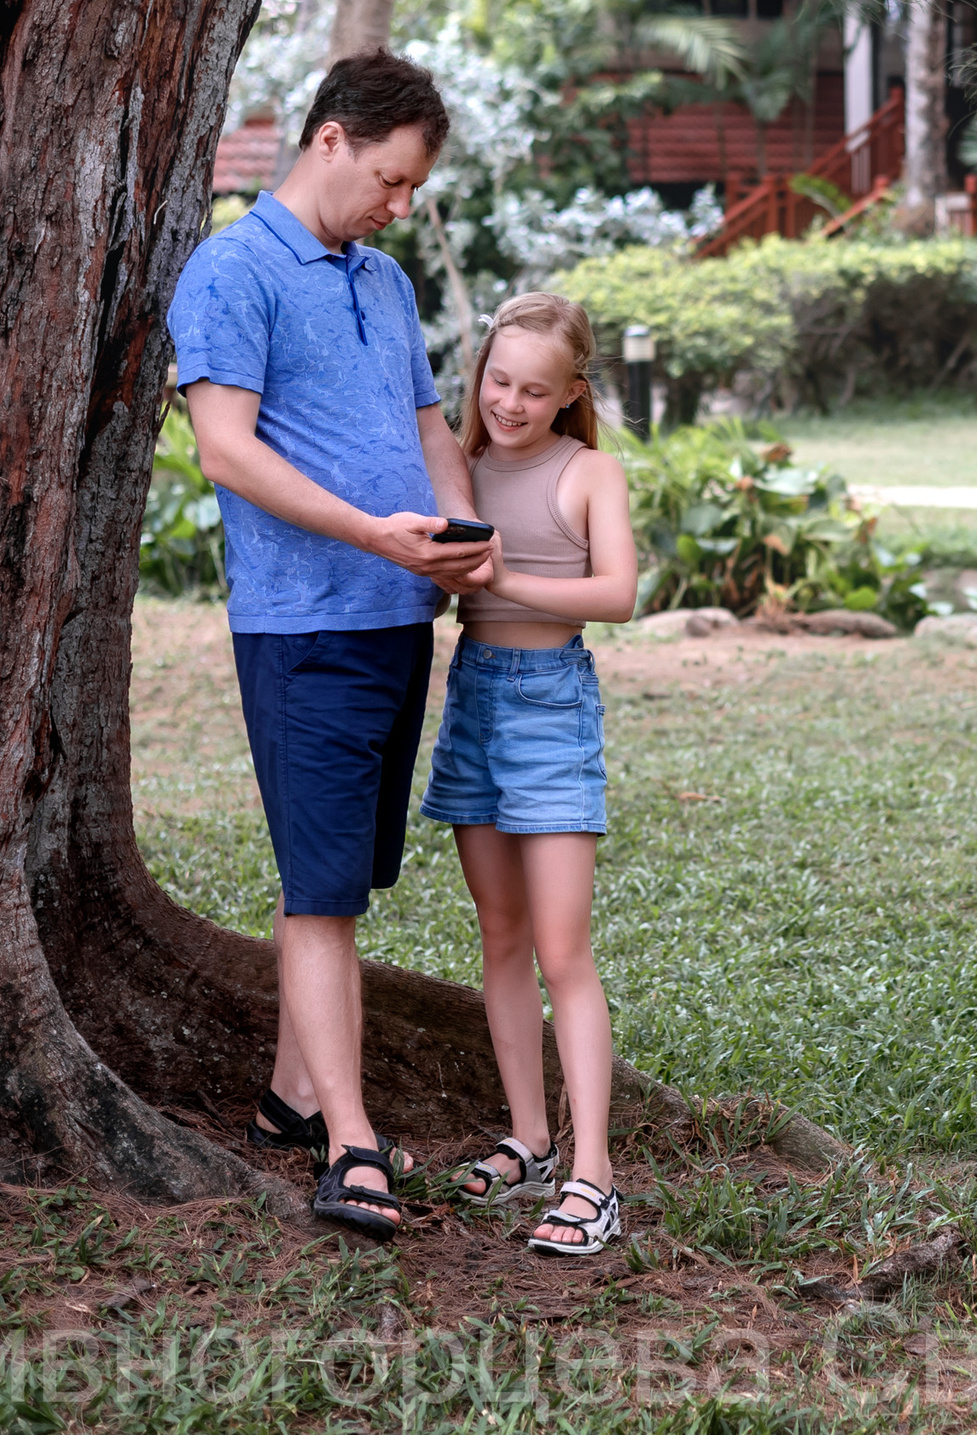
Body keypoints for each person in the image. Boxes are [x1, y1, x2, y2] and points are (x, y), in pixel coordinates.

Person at [168, 50, 492, 1243]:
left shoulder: (384, 280)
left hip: (397, 619)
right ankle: (352, 1142)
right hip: (304, 626)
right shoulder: (231, 269)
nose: (398, 205)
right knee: (319, 896)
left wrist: (463, 538)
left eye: (412, 190)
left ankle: (291, 1100)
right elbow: (226, 450)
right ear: (332, 141)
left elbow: (424, 427)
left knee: (349, 875)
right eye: (392, 180)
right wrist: (373, 533)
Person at [422, 293, 637, 1255]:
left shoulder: (590, 471)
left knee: (562, 949)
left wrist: (498, 576)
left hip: (552, 703)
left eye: (533, 389)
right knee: (500, 935)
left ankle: (595, 1175)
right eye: (497, 379)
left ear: (571, 394)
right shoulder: (458, 470)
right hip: (474, 697)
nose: (508, 400)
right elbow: (432, 593)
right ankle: (532, 1138)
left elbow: (617, 592)